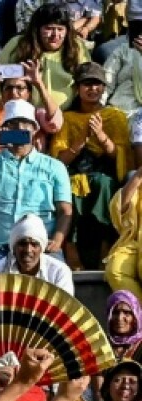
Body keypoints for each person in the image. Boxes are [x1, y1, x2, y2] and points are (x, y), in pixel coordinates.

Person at [0, 99, 74, 269]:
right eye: (12, 125)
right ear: (4, 130)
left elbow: (65, 211)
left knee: (59, 275)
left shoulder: (54, 167)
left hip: (38, 249)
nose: (19, 128)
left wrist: (56, 241)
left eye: (25, 124)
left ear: (34, 129)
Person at [50, 61, 132, 271]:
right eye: (87, 84)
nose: (92, 89)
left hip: (104, 171)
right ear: (77, 88)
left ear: (104, 88)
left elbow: (122, 156)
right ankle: (71, 250)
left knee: (103, 184)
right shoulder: (67, 118)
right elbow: (58, 161)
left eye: (97, 84)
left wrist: (102, 137)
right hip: (74, 170)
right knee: (71, 187)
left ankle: (106, 247)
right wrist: (80, 141)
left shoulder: (115, 116)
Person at [0, 3, 87, 111]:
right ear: (37, 29)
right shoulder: (18, 44)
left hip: (65, 114)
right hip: (21, 113)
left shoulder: (76, 47)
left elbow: (86, 79)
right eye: (49, 28)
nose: (55, 35)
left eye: (60, 29)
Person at [0, 59, 62, 151]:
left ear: (29, 94)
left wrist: (39, 84)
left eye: (20, 88)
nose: (14, 93)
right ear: (1, 93)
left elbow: (55, 124)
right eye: (8, 88)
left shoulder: (36, 114)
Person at [0, 214, 75, 293]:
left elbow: (64, 308)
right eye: (22, 244)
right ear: (13, 248)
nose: (28, 250)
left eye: (34, 244)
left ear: (42, 248)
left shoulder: (59, 272)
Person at [107, 290, 142, 358]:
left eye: (126, 313)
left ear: (136, 317)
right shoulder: (102, 346)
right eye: (115, 312)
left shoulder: (140, 347)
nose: (119, 318)